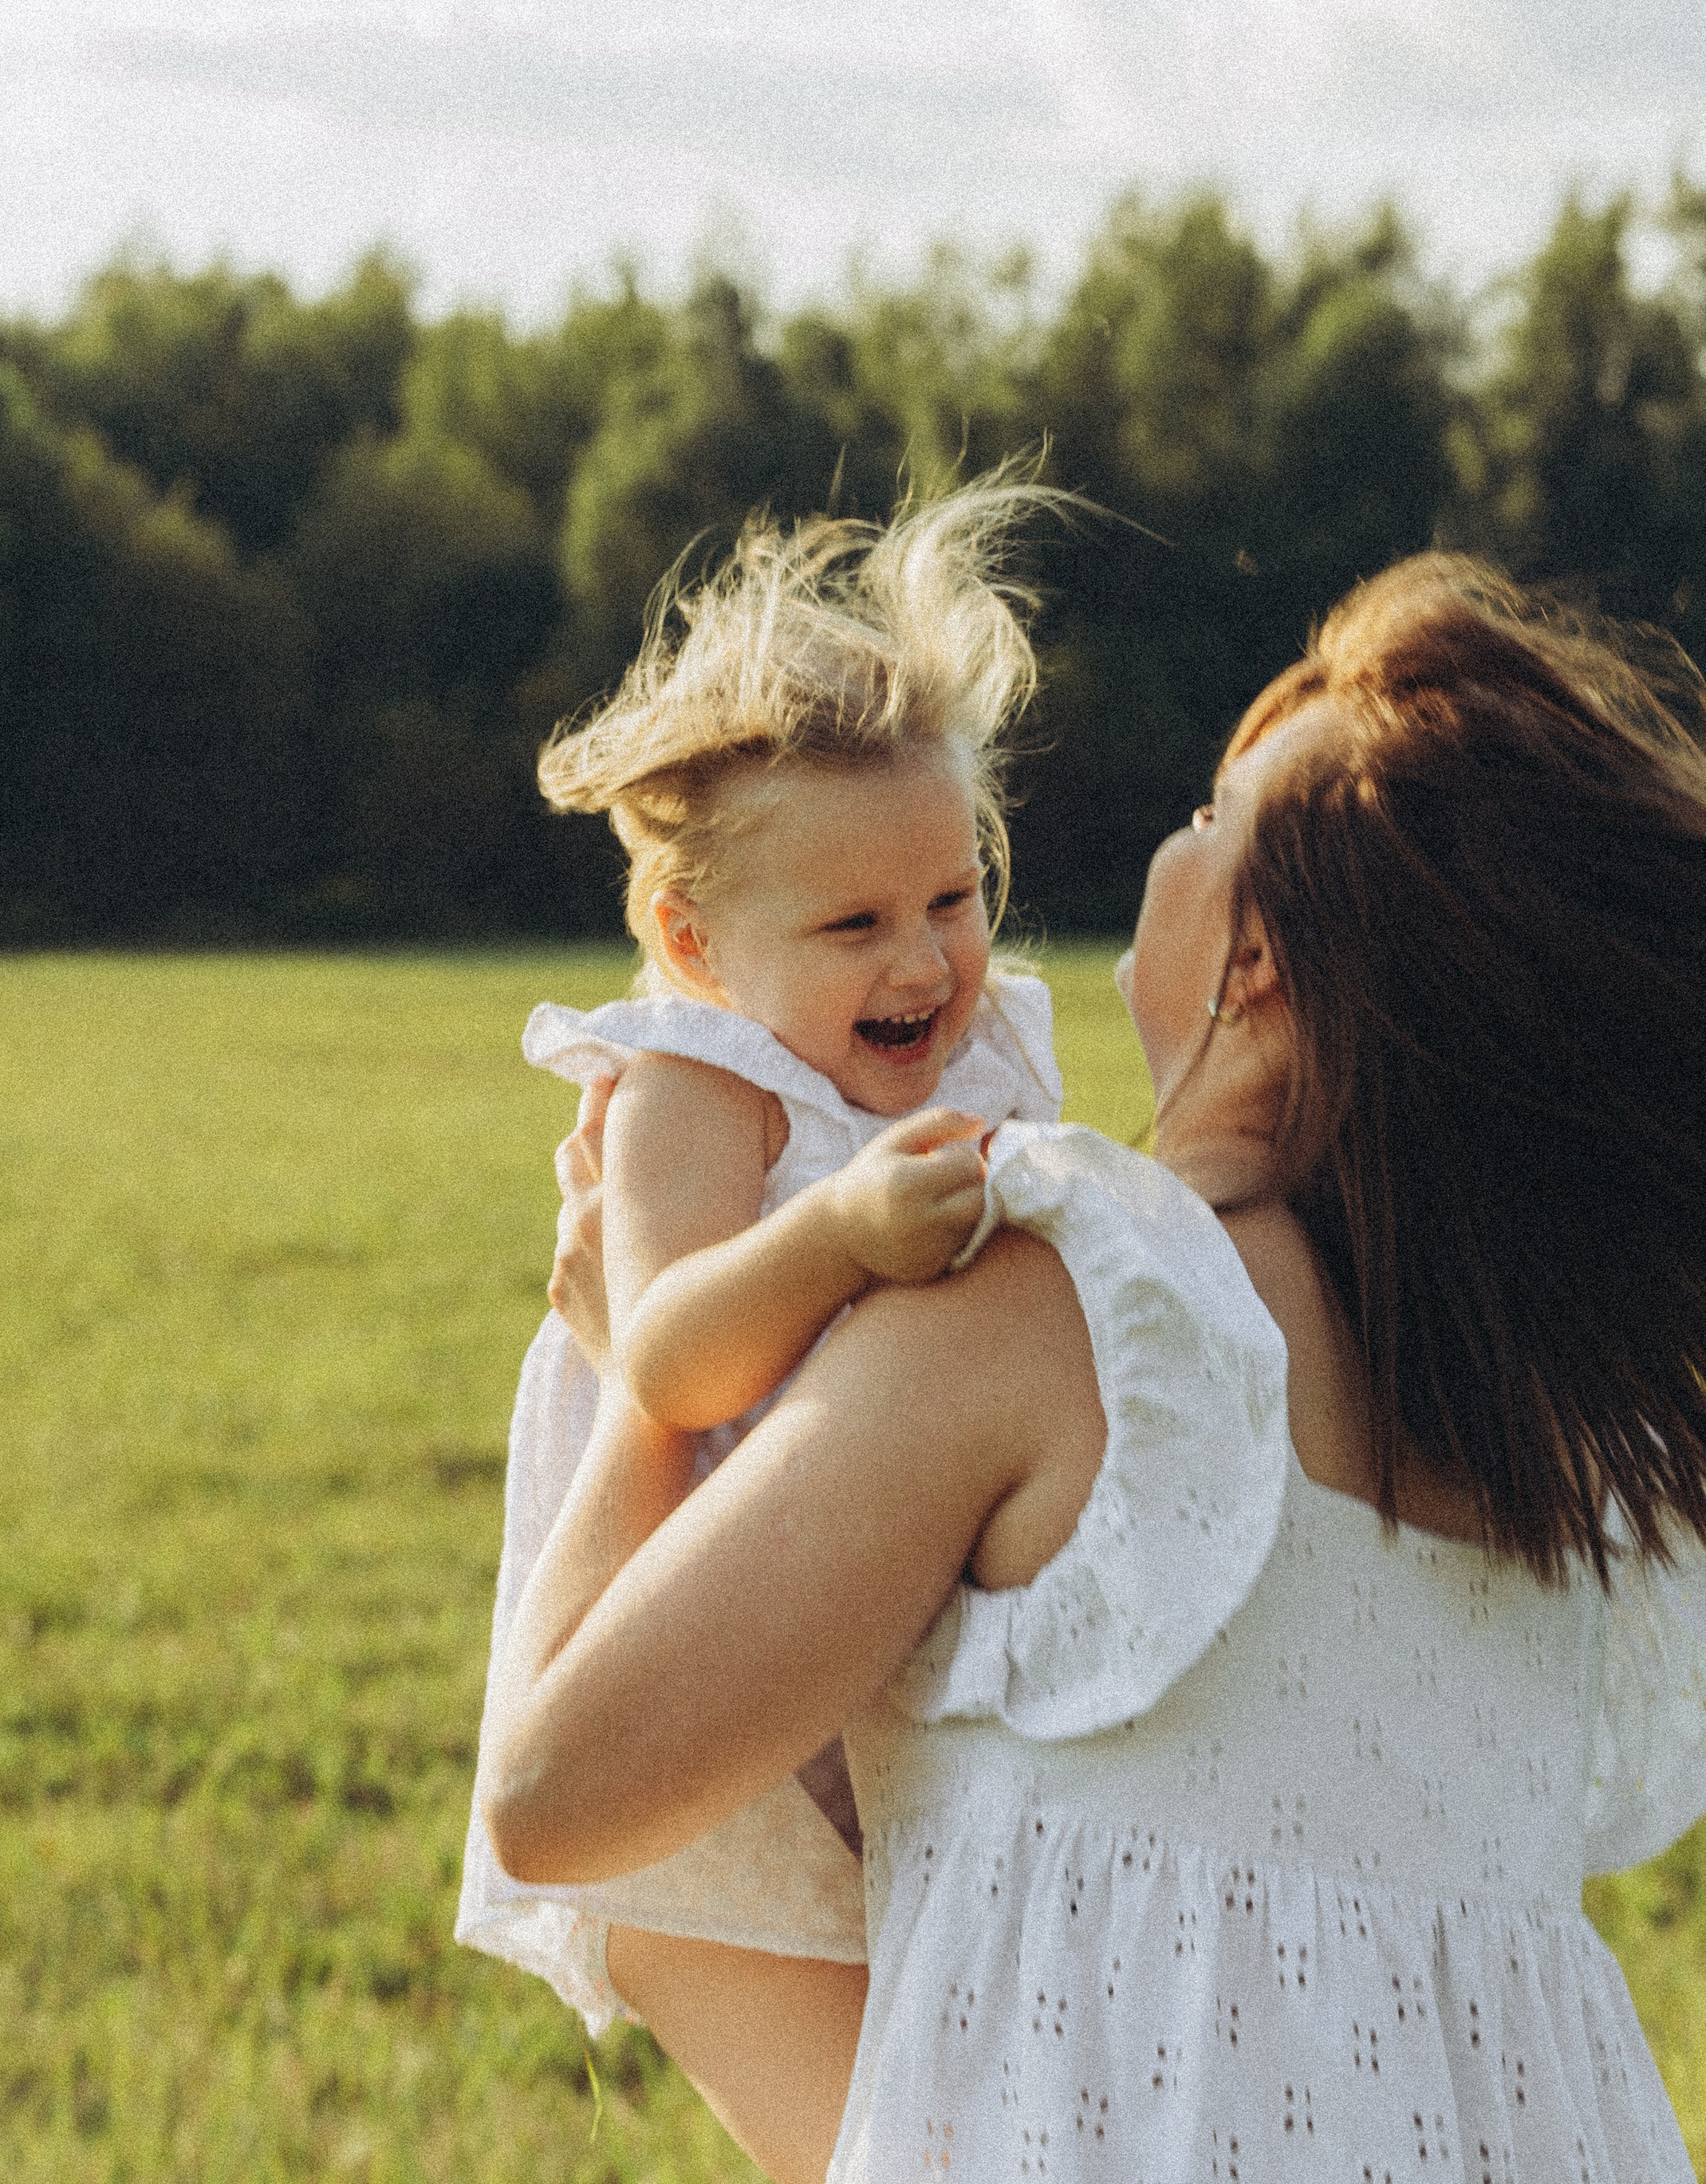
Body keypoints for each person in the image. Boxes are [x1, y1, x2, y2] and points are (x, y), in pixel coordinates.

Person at [481, 553, 1706, 2184]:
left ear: (1255, 965)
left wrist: (632, 1383)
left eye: (1211, 814)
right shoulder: (1554, 1448)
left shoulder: (1068, 1303)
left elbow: (552, 1798)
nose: (1170, 840)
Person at [457, 478, 1066, 2038]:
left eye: (952, 897)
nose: (924, 960)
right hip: (690, 1604)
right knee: (832, 2007)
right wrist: (837, 1236)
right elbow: (664, 1353)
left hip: (877, 1573)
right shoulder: (703, 1081)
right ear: (692, 940)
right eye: (853, 925)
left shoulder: (977, 1047)